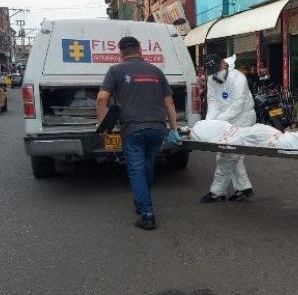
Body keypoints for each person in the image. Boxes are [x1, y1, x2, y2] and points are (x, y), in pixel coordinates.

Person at [96, 36, 181, 230]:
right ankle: (142, 201)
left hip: (133, 130)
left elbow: (102, 99)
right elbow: (169, 103)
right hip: (158, 129)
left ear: (120, 53)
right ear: (140, 49)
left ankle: (147, 214)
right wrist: (174, 129)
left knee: (136, 171)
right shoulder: (156, 71)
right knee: (148, 166)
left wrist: (103, 127)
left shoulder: (115, 70)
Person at [201, 53, 256, 203]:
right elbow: (212, 101)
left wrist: (218, 121)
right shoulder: (212, 78)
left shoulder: (238, 78)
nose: (215, 74)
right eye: (211, 71)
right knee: (233, 156)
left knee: (227, 155)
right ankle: (244, 188)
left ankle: (217, 192)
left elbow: (238, 106)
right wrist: (208, 122)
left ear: (224, 64)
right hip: (225, 120)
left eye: (217, 70)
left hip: (243, 118)